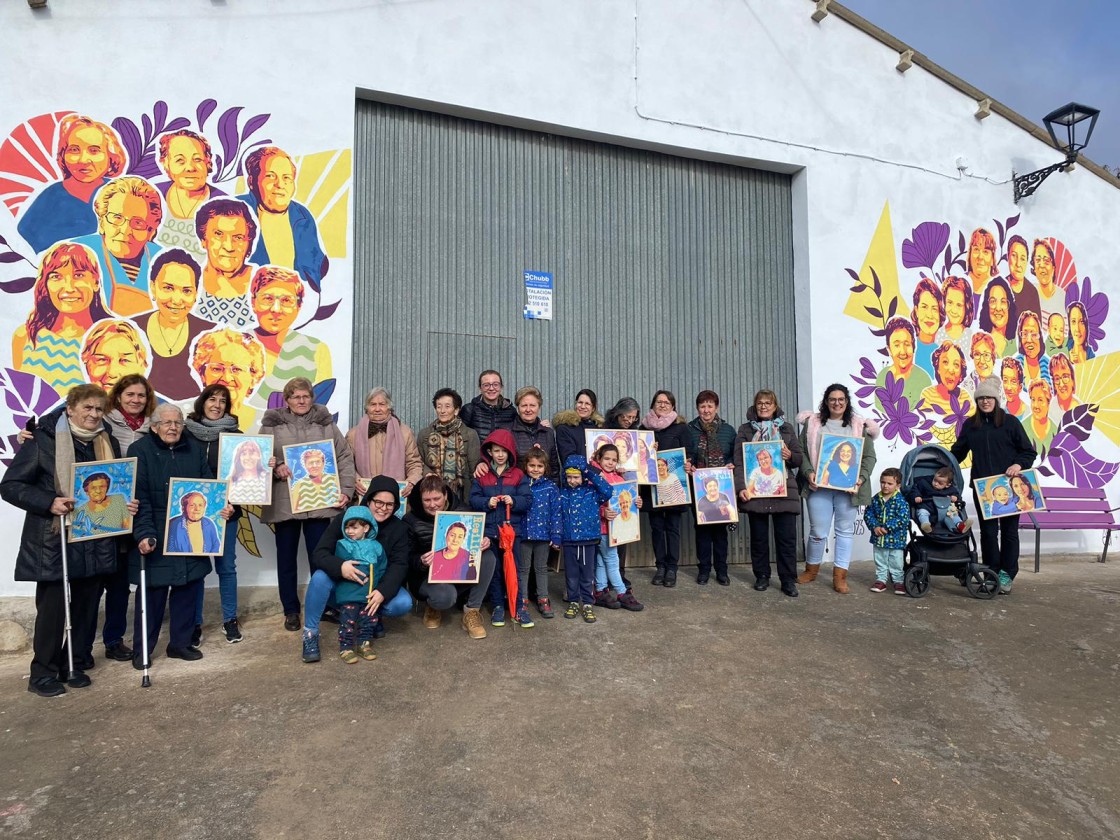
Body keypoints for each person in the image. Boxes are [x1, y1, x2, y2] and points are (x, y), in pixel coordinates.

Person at [1, 384, 133, 696]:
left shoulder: (106, 441)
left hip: (94, 538)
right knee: (53, 610)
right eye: (87, 407)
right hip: (54, 539)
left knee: (87, 606)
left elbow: (112, 488)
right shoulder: (42, 440)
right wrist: (49, 501)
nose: (94, 414)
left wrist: (124, 503)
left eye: (99, 409)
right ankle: (42, 674)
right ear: (70, 409)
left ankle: (70, 662)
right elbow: (10, 485)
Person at [128, 403, 233, 667]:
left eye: (177, 423)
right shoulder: (139, 451)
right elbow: (138, 498)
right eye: (166, 423)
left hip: (192, 536)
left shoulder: (193, 450)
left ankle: (180, 644)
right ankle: (142, 650)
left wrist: (224, 507)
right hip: (158, 535)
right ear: (154, 426)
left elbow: (208, 488)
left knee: (188, 589)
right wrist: (144, 534)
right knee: (151, 596)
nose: (173, 427)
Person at [261, 377, 355, 631]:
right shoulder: (272, 425)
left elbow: (344, 456)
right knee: (286, 560)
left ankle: (324, 606)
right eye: (295, 396)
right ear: (287, 399)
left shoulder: (326, 424)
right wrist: (275, 466)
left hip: (321, 503)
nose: (301, 401)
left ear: (312, 398)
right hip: (285, 503)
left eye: (305, 396)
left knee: (321, 559)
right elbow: (259, 457)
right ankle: (290, 610)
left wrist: (346, 489)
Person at [301, 477, 415, 662]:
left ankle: (369, 617)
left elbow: (399, 564)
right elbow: (320, 553)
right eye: (378, 502)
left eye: (389, 504)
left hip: (374, 585)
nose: (383, 508)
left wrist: (382, 592)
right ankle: (310, 634)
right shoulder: (346, 519)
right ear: (368, 500)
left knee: (402, 603)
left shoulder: (399, 528)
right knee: (320, 578)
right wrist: (341, 567)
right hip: (344, 584)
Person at [951, 377, 1036, 595]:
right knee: (988, 533)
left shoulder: (1010, 422)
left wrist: (1018, 464)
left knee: (1009, 533)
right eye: (981, 398)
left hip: (1009, 487)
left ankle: (1007, 573)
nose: (985, 401)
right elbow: (958, 452)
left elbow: (1028, 451)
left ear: (996, 400)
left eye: (989, 397)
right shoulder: (971, 425)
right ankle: (992, 571)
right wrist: (942, 463)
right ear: (977, 401)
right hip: (983, 488)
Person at [796, 384, 878, 594]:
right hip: (818, 487)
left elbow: (869, 457)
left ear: (847, 401)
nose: (837, 403)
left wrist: (859, 479)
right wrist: (808, 473)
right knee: (817, 532)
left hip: (848, 490)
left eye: (841, 399)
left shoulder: (859, 426)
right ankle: (811, 569)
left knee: (844, 532)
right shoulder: (813, 423)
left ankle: (840, 576)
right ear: (826, 401)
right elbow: (802, 452)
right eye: (832, 399)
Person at [183, 384, 248, 644]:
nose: (217, 405)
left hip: (226, 511)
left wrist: (266, 464)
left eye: (223, 401)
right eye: (212, 399)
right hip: (194, 512)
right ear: (202, 402)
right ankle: (194, 623)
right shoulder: (185, 434)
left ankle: (229, 619)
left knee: (226, 567)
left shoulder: (237, 436)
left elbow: (245, 476)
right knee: (197, 569)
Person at [99, 374, 156, 660]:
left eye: (141, 396)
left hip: (135, 512)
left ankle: (113, 639)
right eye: (130, 394)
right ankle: (81, 645)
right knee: (95, 580)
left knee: (121, 582)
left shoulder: (151, 429)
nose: (136, 400)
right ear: (118, 395)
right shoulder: (102, 422)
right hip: (103, 509)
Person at [12, 242, 113, 394]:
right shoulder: (25, 337)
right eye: (56, 277)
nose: (69, 287)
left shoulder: (114, 337)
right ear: (45, 284)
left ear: (96, 282)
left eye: (78, 275)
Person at [18, 114, 128, 253]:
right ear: (63, 155)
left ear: (111, 157)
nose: (83, 159)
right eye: (74, 150)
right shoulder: (51, 197)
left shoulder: (122, 193)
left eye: (94, 150)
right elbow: (26, 238)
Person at [403, 475, 495, 639]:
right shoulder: (410, 520)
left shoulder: (464, 511)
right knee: (445, 596)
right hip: (427, 577)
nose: (432, 505)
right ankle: (432, 606)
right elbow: (406, 557)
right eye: (427, 500)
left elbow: (479, 534)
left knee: (488, 557)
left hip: (457, 570)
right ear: (420, 499)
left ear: (445, 495)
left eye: (437, 498)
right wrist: (421, 561)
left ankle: (472, 611)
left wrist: (485, 540)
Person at [734, 390, 804, 597]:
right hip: (757, 491)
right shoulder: (745, 430)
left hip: (784, 491)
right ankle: (762, 576)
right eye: (760, 403)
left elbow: (799, 459)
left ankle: (788, 579)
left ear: (775, 406)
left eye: (768, 403)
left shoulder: (787, 428)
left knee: (786, 539)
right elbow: (739, 462)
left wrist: (789, 455)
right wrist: (740, 488)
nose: (763, 406)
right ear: (755, 406)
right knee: (759, 539)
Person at [237, 146, 329, 290]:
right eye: (270, 176)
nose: (280, 185)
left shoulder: (303, 216)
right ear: (251, 182)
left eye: (287, 178)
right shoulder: (235, 210)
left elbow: (315, 266)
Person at [71, 176, 164, 316]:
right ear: (102, 221)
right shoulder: (77, 252)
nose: (125, 231)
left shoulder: (163, 260)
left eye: (138, 223)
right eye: (117, 218)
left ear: (150, 230)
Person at [133, 249, 217, 399]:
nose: (177, 299)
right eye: (168, 288)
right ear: (153, 287)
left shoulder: (212, 335)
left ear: (196, 294)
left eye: (186, 291)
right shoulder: (130, 329)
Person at [469, 429, 531, 627]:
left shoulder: (518, 475)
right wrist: (488, 502)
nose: (500, 454)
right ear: (490, 452)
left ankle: (519, 606)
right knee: (494, 571)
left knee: (515, 570)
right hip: (490, 532)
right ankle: (497, 605)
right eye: (496, 450)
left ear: (511, 452)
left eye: (504, 451)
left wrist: (514, 500)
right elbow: (473, 500)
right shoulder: (483, 475)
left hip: (512, 533)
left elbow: (528, 500)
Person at [249, 265, 332, 407]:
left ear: (298, 306)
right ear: (253, 302)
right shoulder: (235, 344)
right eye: (267, 299)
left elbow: (319, 406)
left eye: (286, 301)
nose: (276, 309)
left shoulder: (316, 350)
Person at [641, 390, 692, 587]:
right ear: (653, 405)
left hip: (673, 487)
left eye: (666, 402)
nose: (662, 405)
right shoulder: (643, 428)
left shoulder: (680, 428)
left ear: (673, 406)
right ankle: (660, 566)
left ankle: (672, 568)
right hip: (651, 488)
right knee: (656, 528)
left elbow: (690, 453)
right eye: (658, 402)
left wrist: (689, 463)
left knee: (672, 528)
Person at [686, 389, 736, 584]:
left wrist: (732, 463)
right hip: (699, 489)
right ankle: (704, 569)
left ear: (716, 407)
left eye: (710, 406)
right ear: (697, 408)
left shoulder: (728, 430)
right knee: (702, 531)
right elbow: (687, 453)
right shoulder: (690, 429)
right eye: (702, 406)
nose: (706, 410)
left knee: (720, 533)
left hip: (722, 490)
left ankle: (722, 570)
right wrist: (688, 463)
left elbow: (734, 454)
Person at [154, 129, 225, 262]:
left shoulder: (225, 204)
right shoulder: (152, 194)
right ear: (166, 163)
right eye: (180, 161)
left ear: (207, 162)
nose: (190, 168)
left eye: (197, 159)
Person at [557, 455, 613, 623]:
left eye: (576, 477)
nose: (572, 480)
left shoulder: (592, 492)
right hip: (569, 541)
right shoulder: (562, 494)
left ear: (583, 476)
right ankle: (573, 601)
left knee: (587, 574)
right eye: (569, 477)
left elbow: (608, 490)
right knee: (572, 574)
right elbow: (558, 516)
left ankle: (588, 603)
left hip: (588, 540)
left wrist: (590, 473)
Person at [590, 444, 643, 611]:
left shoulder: (620, 480)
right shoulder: (594, 479)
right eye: (606, 458)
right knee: (612, 560)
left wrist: (636, 502)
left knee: (601, 561)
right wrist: (602, 511)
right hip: (601, 527)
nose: (610, 462)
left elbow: (627, 499)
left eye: (614, 460)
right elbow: (590, 502)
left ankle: (600, 591)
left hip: (616, 528)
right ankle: (622, 592)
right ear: (598, 459)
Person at [347, 387, 422, 501]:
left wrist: (411, 482)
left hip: (397, 499)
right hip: (364, 497)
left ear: (389, 407)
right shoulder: (353, 434)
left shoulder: (405, 432)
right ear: (367, 408)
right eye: (373, 404)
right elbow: (346, 464)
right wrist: (355, 480)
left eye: (382, 404)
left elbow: (414, 464)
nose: (377, 409)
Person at [332, 506, 386, 664]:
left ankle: (364, 644)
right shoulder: (342, 545)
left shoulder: (377, 546)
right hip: (350, 594)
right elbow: (344, 564)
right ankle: (346, 647)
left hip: (369, 595)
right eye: (347, 527)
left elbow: (382, 566)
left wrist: (378, 586)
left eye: (354, 527)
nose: (349, 531)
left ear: (366, 527)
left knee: (368, 621)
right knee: (348, 621)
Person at [193, 198, 258, 328]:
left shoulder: (263, 281)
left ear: (249, 243)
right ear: (203, 240)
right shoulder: (189, 281)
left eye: (238, 237)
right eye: (218, 234)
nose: (229, 246)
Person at [189, 326, 267, 422]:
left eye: (237, 369)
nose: (226, 378)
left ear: (254, 377)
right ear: (202, 374)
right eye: (217, 369)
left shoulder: (266, 422)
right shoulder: (182, 414)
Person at [417, 388, 482, 499]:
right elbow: (418, 462)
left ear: (456, 410)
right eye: (439, 406)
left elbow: (474, 469)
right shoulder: (425, 434)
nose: (442, 411)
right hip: (432, 493)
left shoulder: (470, 434)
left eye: (447, 406)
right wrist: (428, 473)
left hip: (461, 494)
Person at [520, 449, 561, 618]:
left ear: (545, 468)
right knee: (523, 569)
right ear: (525, 466)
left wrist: (556, 535)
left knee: (541, 568)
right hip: (523, 535)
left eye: (539, 466)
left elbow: (556, 512)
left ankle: (543, 598)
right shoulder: (520, 484)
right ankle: (521, 599)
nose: (535, 469)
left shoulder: (551, 488)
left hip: (543, 537)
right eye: (531, 465)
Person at [863, 467, 909, 595]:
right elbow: (868, 514)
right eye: (883, 482)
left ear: (897, 485)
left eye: (890, 483)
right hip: (879, 538)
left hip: (896, 539)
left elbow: (903, 518)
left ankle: (898, 582)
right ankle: (881, 580)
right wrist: (875, 527)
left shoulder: (901, 501)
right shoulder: (875, 499)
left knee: (896, 561)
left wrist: (887, 527)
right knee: (880, 560)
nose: (885, 486)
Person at [875, 317, 932, 409]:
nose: (903, 351)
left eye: (907, 344)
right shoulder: (882, 377)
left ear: (914, 347)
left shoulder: (924, 380)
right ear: (889, 349)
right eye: (897, 345)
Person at [79, 319, 150, 392]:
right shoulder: (75, 402)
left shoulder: (156, 403)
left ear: (141, 362)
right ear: (86, 361)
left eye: (124, 360)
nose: (112, 373)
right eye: (102, 360)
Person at [510, 386, 558, 482]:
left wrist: (554, 492)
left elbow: (554, 468)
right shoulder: (508, 432)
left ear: (539, 407)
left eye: (532, 405)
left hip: (544, 491)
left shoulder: (548, 432)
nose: (528, 409)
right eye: (524, 405)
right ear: (518, 407)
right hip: (517, 490)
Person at [906, 466, 972, 535]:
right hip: (928, 506)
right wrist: (916, 496)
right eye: (935, 480)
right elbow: (915, 489)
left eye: (940, 483)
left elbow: (956, 494)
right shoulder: (924, 483)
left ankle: (960, 525)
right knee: (922, 512)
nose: (936, 484)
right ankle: (926, 525)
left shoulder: (951, 489)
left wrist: (955, 497)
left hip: (945, 510)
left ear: (948, 485)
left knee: (953, 514)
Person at [919, 342, 973, 420]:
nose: (951, 370)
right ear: (938, 368)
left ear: (961, 374)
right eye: (945, 362)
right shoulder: (928, 395)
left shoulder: (965, 398)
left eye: (956, 364)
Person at [460, 369, 516, 442]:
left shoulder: (511, 411)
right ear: (480, 388)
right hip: (476, 453)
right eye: (486, 385)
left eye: (495, 384)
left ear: (501, 387)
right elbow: (460, 436)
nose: (491, 388)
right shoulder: (469, 409)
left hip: (502, 453)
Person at [70, 471, 131, 538]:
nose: (98, 491)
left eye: (102, 486)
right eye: (93, 488)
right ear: (87, 491)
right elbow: (76, 536)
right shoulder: (80, 511)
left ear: (107, 488)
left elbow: (127, 527)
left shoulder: (119, 499)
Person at [553, 388, 603, 466]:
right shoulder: (564, 428)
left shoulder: (600, 429)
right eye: (580, 402)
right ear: (576, 404)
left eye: (587, 404)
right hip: (575, 476)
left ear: (593, 408)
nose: (583, 406)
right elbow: (569, 458)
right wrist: (595, 472)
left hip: (601, 476)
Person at [910, 276, 944, 375]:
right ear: (916, 310)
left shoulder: (946, 349)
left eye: (934, 308)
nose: (929, 315)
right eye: (924, 307)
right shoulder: (908, 348)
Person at [977, 277, 1018, 359]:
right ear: (987, 306)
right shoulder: (980, 344)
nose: (998, 308)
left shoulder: (1017, 345)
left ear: (1009, 307)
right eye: (993, 301)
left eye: (1003, 301)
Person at [1004, 235, 1041, 318]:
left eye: (1022, 259)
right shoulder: (999, 287)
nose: (1018, 264)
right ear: (1007, 257)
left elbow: (1037, 328)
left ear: (1027, 261)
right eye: (1014, 256)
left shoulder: (1032, 293)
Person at [227, 439, 271, 504]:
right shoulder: (231, 479)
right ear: (239, 458)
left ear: (259, 456)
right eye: (243, 454)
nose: (248, 457)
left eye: (252, 453)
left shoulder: (268, 477)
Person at [1015, 311, 1050, 389]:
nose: (1029, 340)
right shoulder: (1015, 365)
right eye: (1024, 334)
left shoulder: (1050, 365)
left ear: (1040, 337)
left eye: (1034, 334)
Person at [937, 275, 974, 345]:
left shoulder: (970, 336)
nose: (954, 310)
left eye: (959, 305)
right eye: (950, 302)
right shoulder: (939, 334)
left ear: (967, 307)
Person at [1031, 238, 1061, 323]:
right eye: (1038, 260)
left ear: (1053, 267)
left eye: (1046, 261)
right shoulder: (1029, 293)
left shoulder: (1063, 298)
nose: (1042, 266)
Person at [1024, 379, 1057, 454]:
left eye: (1040, 400)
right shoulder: (1022, 429)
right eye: (1033, 399)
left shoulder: (1056, 433)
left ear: (1048, 403)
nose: (1035, 405)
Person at [966, 228, 999, 297]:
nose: (980, 257)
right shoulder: (959, 284)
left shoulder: (999, 289)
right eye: (976, 250)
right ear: (970, 254)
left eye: (985, 252)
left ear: (992, 259)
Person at [1049, 353, 1078, 417]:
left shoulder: (1081, 410)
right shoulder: (1050, 409)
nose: (1061, 384)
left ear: (1072, 380)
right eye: (1057, 379)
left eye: (1065, 376)